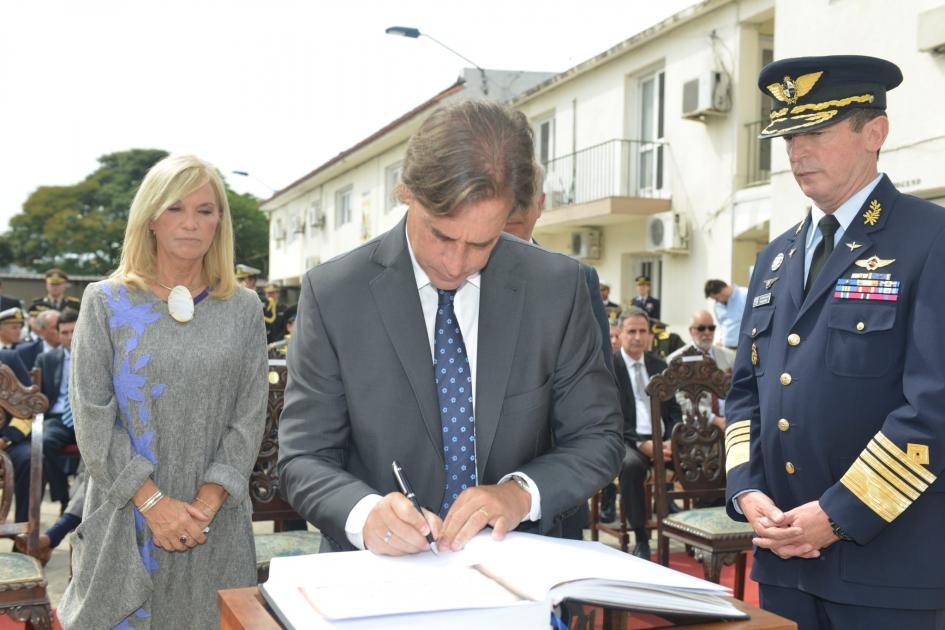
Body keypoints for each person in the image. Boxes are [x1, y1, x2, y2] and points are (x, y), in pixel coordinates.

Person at [278, 100, 623, 557]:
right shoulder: (335, 293)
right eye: (441, 236)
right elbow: (304, 457)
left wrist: (520, 493)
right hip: (375, 576)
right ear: (407, 193)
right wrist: (364, 514)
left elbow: (598, 437)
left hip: (518, 568)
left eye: (482, 243)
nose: (457, 263)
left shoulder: (558, 288)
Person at [725, 55, 945, 629]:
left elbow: (934, 409)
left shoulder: (931, 239)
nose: (797, 152)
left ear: (874, 132)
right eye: (789, 135)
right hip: (782, 564)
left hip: (888, 566)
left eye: (816, 132)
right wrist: (747, 492)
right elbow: (746, 395)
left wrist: (839, 514)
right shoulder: (774, 259)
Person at [58, 154, 268, 629]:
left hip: (216, 520)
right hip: (125, 518)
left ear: (220, 221)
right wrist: (154, 504)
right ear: (150, 217)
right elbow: (92, 417)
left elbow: (249, 415)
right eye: (175, 208)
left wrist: (205, 505)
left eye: (205, 210)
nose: (191, 224)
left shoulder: (244, 308)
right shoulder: (105, 302)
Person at [504, 161, 614, 540]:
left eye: (522, 199)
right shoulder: (456, 269)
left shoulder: (574, 280)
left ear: (540, 203)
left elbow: (596, 398)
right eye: (506, 198)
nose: (513, 210)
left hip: (550, 497)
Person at [612, 308, 682, 559]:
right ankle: (641, 538)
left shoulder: (659, 366)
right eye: (631, 331)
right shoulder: (609, 367)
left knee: (705, 456)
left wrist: (672, 439)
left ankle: (695, 532)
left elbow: (674, 411)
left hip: (663, 440)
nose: (637, 337)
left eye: (643, 331)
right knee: (630, 467)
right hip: (628, 441)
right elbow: (610, 415)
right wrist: (642, 444)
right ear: (619, 334)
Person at [35, 307, 78, 511]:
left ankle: (82, 500)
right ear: (58, 334)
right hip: (58, 418)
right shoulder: (46, 359)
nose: (69, 337)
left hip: (87, 419)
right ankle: (64, 499)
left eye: (74, 331)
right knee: (43, 442)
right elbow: (36, 396)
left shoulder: (98, 356)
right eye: (64, 333)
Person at [667, 309, 735, 429]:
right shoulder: (676, 360)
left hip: (731, 422)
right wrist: (713, 420)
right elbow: (680, 399)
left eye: (711, 328)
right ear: (691, 331)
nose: (707, 332)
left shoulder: (729, 356)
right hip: (696, 427)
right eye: (701, 328)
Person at [0, 348, 35, 524]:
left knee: (30, 459)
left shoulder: (9, 359)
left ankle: (22, 535)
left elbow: (28, 407)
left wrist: (6, 439)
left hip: (9, 441)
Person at [704, 279, 747, 350]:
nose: (716, 301)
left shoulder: (745, 294)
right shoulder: (717, 306)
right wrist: (720, 340)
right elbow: (721, 325)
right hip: (726, 347)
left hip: (743, 347)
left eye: (716, 298)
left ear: (723, 290)